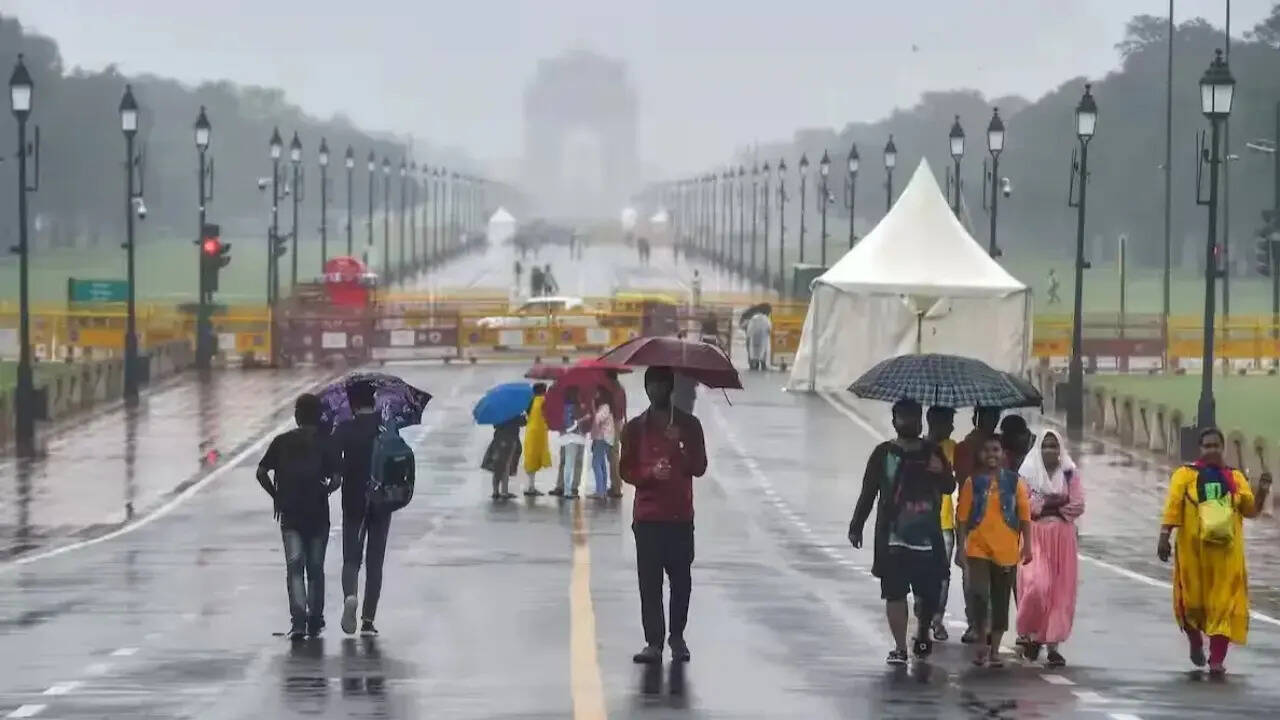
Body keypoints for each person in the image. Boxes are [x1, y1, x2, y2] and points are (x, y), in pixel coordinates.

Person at [848, 399, 955, 665]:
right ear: (894, 421)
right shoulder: (883, 453)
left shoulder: (933, 452)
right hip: (891, 538)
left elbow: (949, 487)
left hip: (928, 537)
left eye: (913, 417)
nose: (908, 422)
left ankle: (922, 631)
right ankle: (899, 647)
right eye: (903, 417)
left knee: (929, 593)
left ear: (921, 421)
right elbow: (868, 491)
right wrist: (856, 525)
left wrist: (941, 471)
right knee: (894, 593)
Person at [1158, 427, 1271, 675]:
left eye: (1216, 446)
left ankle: (1217, 659)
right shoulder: (1184, 475)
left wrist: (1262, 491)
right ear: (1200, 449)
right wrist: (1164, 536)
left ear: (1223, 448)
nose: (1212, 450)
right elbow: (1173, 507)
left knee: (1223, 605)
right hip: (1192, 554)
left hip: (1226, 555)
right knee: (1191, 603)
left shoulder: (1235, 478)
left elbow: (1250, 511)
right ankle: (1195, 641)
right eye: (1207, 446)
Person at [621, 366, 708, 665]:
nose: (655, 391)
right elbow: (626, 470)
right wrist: (650, 473)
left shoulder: (690, 426)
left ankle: (677, 637)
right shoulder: (634, 429)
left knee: (681, 582)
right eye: (651, 385)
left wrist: (680, 446)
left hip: (680, 517)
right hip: (648, 518)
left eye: (661, 385)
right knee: (650, 584)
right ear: (646, 389)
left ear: (670, 388)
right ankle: (653, 642)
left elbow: (699, 467)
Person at [257, 393, 340, 639]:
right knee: (315, 568)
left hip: (290, 514)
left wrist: (276, 496)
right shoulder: (326, 443)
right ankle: (315, 619)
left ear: (297, 416)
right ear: (318, 416)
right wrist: (325, 490)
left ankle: (298, 622)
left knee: (295, 568)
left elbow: (261, 472)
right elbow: (337, 479)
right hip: (317, 514)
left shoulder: (281, 442)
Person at [955, 435, 1033, 668]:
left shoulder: (1014, 482)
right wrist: (961, 548)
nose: (991, 454)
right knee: (979, 595)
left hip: (1007, 550)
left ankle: (995, 649)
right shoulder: (972, 483)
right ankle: (981, 641)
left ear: (1003, 454)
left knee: (1001, 601)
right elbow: (962, 518)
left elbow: (1024, 516)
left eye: (996, 450)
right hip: (978, 549)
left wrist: (1027, 545)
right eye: (987, 450)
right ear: (980, 455)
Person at [1016, 430, 1085, 666]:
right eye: (1045, 445)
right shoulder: (1027, 474)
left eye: (1054, 446)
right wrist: (1050, 504)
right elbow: (1024, 505)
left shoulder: (1069, 473)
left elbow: (1077, 504)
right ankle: (1031, 633)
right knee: (1037, 585)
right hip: (1035, 536)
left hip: (1063, 539)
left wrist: (1046, 506)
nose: (1049, 450)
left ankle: (1052, 645)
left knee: (1060, 593)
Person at [332, 381, 393, 636]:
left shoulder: (345, 429)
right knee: (375, 562)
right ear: (374, 399)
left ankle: (350, 596)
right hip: (382, 500)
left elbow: (335, 468)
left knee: (351, 558)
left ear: (352, 403)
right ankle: (368, 620)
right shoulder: (387, 426)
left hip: (353, 501)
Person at [950, 405, 1000, 644]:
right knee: (971, 577)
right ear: (976, 417)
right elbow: (963, 476)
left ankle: (990, 623)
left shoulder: (1000, 447)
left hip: (999, 520)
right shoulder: (964, 448)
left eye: (994, 416)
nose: (991, 420)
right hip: (971, 518)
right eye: (986, 415)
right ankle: (974, 623)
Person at [924, 406, 957, 642]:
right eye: (948, 422)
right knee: (921, 572)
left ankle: (937, 618)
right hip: (921, 521)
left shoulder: (954, 449)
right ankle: (923, 615)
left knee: (942, 573)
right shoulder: (918, 448)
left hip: (946, 521)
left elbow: (953, 483)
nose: (952, 427)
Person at [482, 414, 524, 501]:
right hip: (510, 440)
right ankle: (504, 492)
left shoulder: (499, 412)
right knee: (506, 465)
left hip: (498, 439)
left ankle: (495, 491)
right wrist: (523, 417)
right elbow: (523, 422)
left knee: (497, 464)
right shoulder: (514, 412)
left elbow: (495, 425)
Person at [559, 387, 589, 499]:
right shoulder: (577, 407)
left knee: (567, 463)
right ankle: (570, 489)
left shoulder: (564, 407)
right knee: (574, 463)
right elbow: (579, 423)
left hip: (566, 437)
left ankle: (566, 489)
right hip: (576, 437)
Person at [522, 384, 552, 497]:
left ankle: (530, 486)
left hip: (531, 432)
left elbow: (526, 416)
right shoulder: (545, 401)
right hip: (540, 433)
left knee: (530, 458)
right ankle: (531, 487)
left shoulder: (530, 402)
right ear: (543, 391)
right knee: (536, 458)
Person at [590, 387, 617, 499]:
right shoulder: (605, 407)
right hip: (601, 437)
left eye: (597, 393)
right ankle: (603, 489)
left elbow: (597, 419)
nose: (595, 395)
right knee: (601, 463)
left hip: (602, 438)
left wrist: (592, 406)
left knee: (596, 463)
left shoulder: (605, 407)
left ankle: (600, 491)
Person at [604, 370, 627, 498]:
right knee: (614, 455)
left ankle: (616, 487)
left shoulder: (610, 389)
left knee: (613, 457)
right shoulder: (620, 388)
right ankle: (616, 485)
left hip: (612, 422)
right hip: (619, 422)